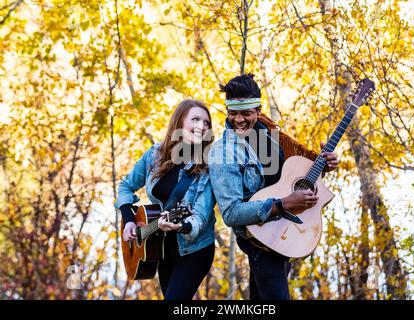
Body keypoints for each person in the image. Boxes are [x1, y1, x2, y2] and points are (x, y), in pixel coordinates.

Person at [208, 74, 339, 300]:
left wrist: (323, 164)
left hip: (284, 232)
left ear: (258, 111)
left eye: (246, 113)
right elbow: (230, 214)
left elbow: (292, 175)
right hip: (260, 240)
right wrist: (284, 203)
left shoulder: (270, 136)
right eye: (233, 113)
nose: (239, 119)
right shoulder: (223, 152)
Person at [114, 99, 216, 300]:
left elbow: (201, 216)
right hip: (160, 249)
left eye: (206, 123)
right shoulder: (155, 155)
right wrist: (128, 220)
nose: (202, 126)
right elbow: (126, 185)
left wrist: (182, 226)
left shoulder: (208, 166)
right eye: (195, 119)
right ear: (179, 121)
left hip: (194, 249)